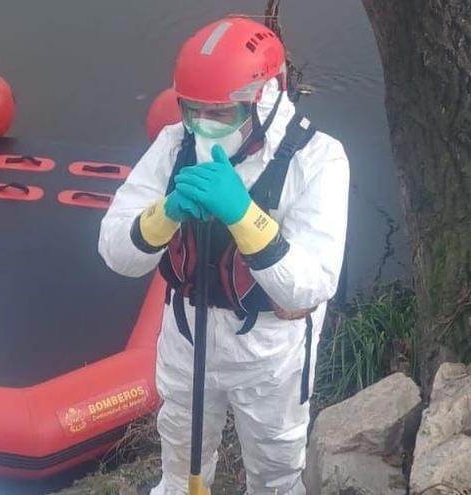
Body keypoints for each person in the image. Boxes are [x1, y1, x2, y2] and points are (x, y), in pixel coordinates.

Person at [99, 17, 349, 494]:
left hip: (269, 350)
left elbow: (313, 283)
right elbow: (115, 252)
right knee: (181, 453)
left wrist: (244, 216)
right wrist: (164, 214)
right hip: (187, 335)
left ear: (264, 96)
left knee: (276, 464)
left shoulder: (316, 158)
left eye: (221, 113)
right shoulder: (176, 144)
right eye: (193, 110)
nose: (204, 126)